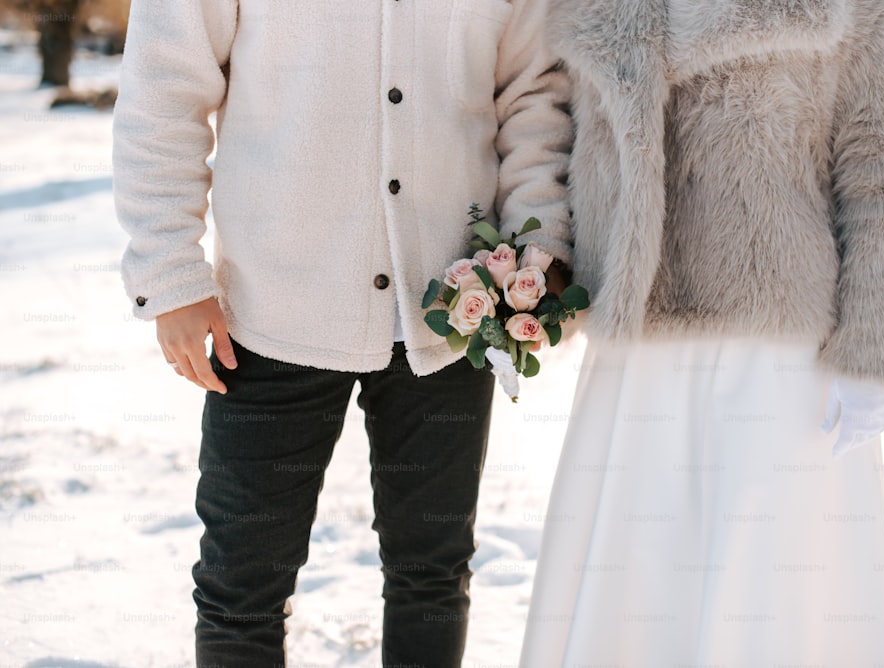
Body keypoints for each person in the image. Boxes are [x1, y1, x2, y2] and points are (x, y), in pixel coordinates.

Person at [112, 1, 572, 666]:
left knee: (433, 575)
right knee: (242, 587)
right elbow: (164, 83)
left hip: (453, 315)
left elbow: (535, 96)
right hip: (271, 317)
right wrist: (170, 272)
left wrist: (538, 248)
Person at [521, 0, 884, 665]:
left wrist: (875, 351)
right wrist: (536, 274)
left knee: (769, 585)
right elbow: (550, 124)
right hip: (637, 354)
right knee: (637, 580)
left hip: (778, 362)